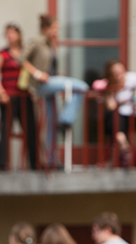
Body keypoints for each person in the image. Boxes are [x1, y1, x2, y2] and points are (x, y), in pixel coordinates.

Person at [21, 14, 90, 168]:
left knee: (51, 125)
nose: (57, 32)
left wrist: (59, 77)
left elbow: (51, 67)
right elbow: (21, 59)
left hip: (51, 82)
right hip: (42, 84)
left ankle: (51, 160)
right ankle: (65, 119)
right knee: (82, 87)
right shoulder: (37, 41)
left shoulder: (51, 44)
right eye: (54, 29)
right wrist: (38, 74)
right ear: (46, 29)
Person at [0, 23, 38, 170]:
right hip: (9, 97)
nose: (10, 36)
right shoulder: (1, 54)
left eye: (12, 33)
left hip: (24, 96)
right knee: (5, 131)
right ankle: (3, 164)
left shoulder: (25, 53)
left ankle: (34, 164)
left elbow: (32, 70)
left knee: (31, 130)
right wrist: (2, 93)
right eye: (7, 33)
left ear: (18, 35)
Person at [95, 60, 136, 167]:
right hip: (118, 118)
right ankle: (126, 152)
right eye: (115, 73)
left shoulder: (133, 79)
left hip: (130, 116)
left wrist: (123, 99)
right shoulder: (112, 86)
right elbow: (111, 106)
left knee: (115, 126)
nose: (118, 75)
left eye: (120, 71)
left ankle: (119, 155)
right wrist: (111, 90)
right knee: (113, 121)